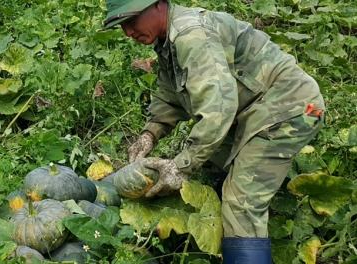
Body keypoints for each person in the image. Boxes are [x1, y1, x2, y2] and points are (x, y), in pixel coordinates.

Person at [103, 0, 326, 263]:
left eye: (131, 20)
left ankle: (244, 244)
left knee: (241, 201)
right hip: (252, 112)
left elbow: (217, 109)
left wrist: (181, 166)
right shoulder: (168, 41)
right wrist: (150, 133)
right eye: (121, 25)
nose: (128, 31)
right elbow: (168, 95)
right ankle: (225, 244)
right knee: (211, 170)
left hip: (288, 108)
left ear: (158, 5)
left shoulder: (191, 35)